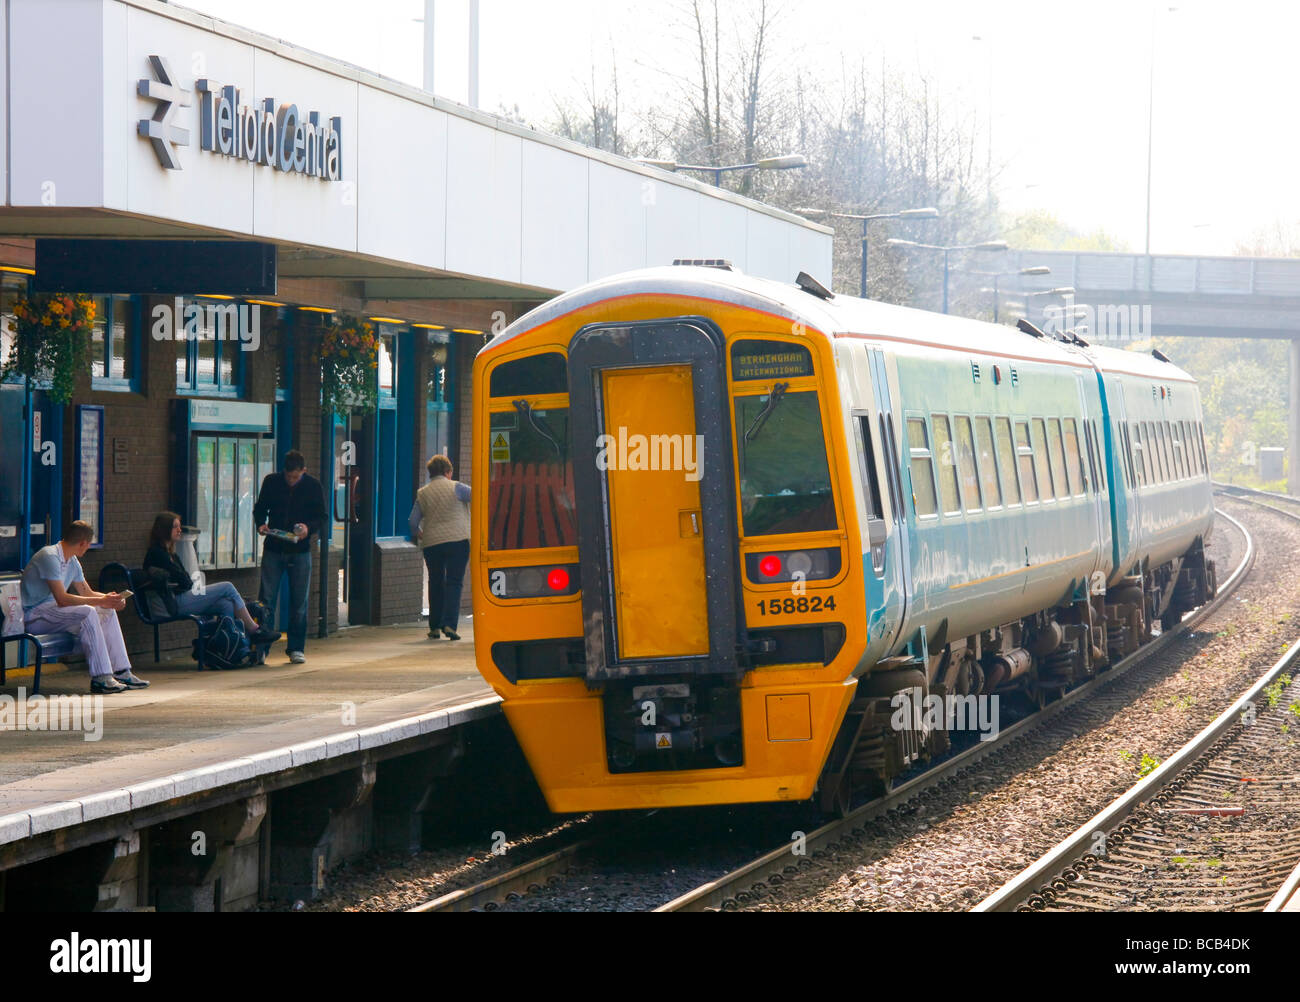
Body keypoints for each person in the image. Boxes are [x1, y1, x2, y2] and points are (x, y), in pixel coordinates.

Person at [20, 521, 148, 693]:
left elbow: (85, 591)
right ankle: (101, 677)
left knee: (105, 610)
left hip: (54, 613)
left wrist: (110, 599)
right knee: (87, 612)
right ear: (83, 543)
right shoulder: (49, 556)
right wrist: (100, 601)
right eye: (88, 545)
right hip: (35, 614)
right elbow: (62, 599)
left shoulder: (72, 561)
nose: (87, 549)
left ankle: (121, 672)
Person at [143, 512, 279, 644]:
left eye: (179, 526)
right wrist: (183, 581)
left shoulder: (171, 554)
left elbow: (186, 580)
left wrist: (183, 581)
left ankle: (229, 644)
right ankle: (254, 630)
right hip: (171, 604)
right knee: (227, 587)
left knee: (226, 604)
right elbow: (184, 580)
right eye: (175, 527)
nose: (179, 530)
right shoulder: (157, 554)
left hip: (179, 597)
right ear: (164, 530)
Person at [253, 449, 325, 664]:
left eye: (296, 477)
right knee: (266, 599)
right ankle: (262, 648)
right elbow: (260, 508)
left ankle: (296, 647)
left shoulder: (313, 486)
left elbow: (321, 517)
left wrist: (307, 529)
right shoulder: (272, 482)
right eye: (288, 476)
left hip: (300, 550)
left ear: (304, 471)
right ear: (283, 471)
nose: (291, 481)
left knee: (299, 601)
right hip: (274, 546)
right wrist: (261, 524)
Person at [410, 455, 471, 640]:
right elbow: (480, 496)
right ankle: (450, 625)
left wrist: (420, 533)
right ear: (448, 472)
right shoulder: (458, 487)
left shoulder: (423, 492)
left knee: (435, 582)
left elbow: (412, 522)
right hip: (457, 540)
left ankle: (434, 626)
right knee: (454, 582)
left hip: (432, 543)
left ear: (430, 473)